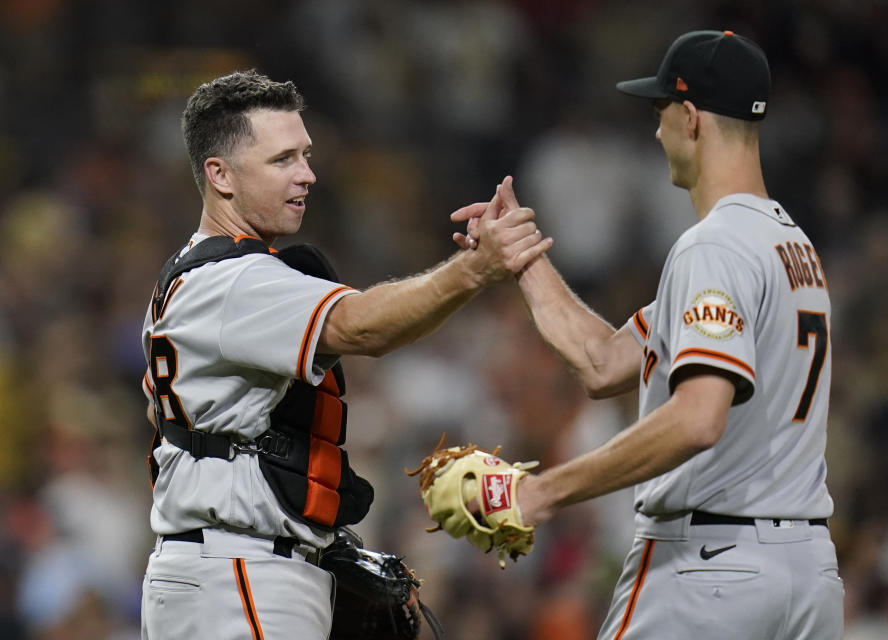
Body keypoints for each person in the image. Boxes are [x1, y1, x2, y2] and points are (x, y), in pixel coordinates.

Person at [454, 30, 843, 639]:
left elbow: (696, 419)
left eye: (659, 111)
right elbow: (605, 362)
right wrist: (523, 259)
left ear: (691, 118)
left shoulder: (712, 246)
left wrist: (542, 492)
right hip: (808, 574)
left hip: (710, 569)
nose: (654, 130)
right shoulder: (791, 246)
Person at [139, 69, 551, 639]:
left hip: (224, 568)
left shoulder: (188, 272)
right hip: (240, 573)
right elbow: (362, 329)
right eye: (283, 159)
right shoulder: (235, 279)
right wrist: (474, 271)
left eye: (305, 155)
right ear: (220, 175)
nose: (307, 174)